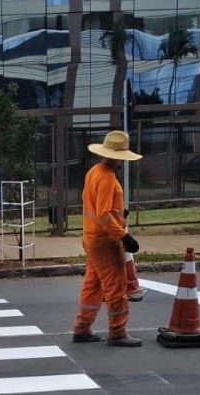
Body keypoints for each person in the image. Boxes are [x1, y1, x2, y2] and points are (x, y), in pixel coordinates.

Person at [72, 130, 143, 347]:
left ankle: (82, 328)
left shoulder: (94, 172)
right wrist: (124, 236)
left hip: (92, 238)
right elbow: (103, 214)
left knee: (92, 286)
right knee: (116, 288)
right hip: (105, 241)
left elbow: (99, 208)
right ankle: (118, 332)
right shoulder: (107, 178)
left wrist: (120, 215)